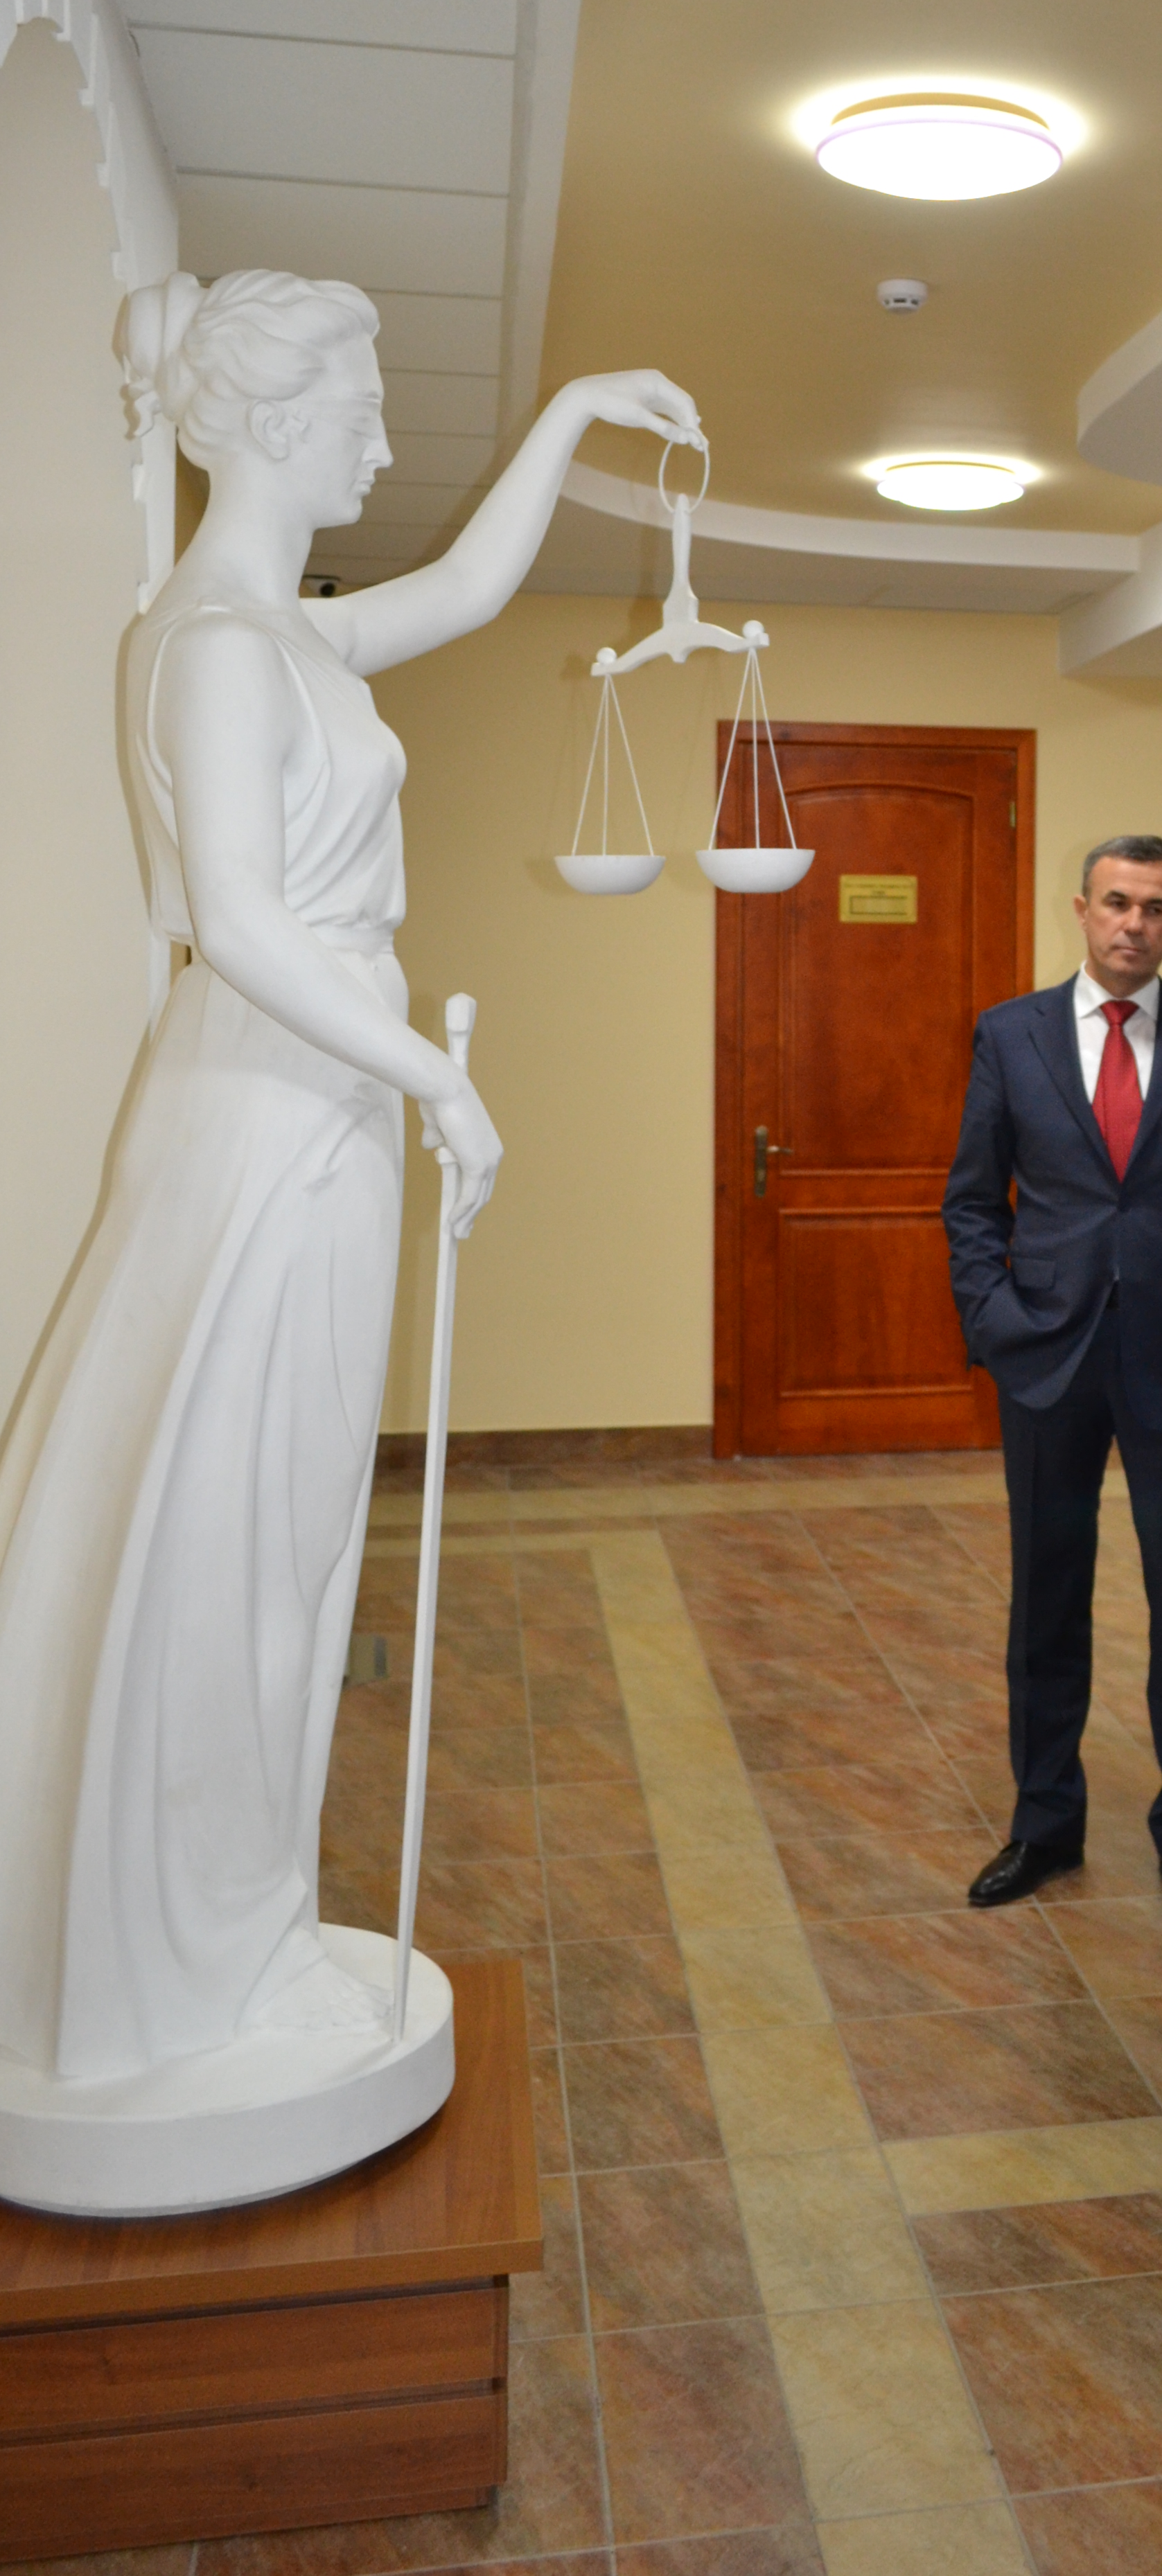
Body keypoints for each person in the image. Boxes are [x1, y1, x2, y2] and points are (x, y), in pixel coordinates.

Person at [0, 269, 698, 2093]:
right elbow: (238, 919)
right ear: (267, 418)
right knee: (241, 1533)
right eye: (359, 412)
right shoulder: (220, 646)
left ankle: (234, 1931)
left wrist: (575, 410)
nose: (381, 443)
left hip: (312, 1094)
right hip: (273, 1108)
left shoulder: (280, 631)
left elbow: (463, 591)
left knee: (290, 1531)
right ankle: (189, 1961)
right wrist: (434, 1076)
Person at [943, 835, 1162, 1929]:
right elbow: (971, 1201)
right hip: (1046, 1358)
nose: (1133, 924)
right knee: (1046, 1601)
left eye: (1155, 908)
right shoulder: (1010, 1033)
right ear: (1082, 909)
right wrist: (996, 1322)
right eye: (1116, 902)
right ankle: (1044, 1823)